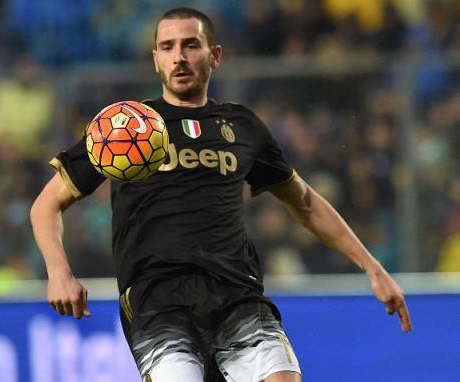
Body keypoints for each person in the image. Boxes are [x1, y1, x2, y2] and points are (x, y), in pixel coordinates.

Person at [30, 7, 412, 382]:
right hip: (158, 300)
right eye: (167, 47)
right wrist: (58, 272)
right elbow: (47, 205)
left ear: (215, 56)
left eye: (191, 45)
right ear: (155, 60)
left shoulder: (243, 126)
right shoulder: (126, 127)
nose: (179, 57)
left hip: (236, 293)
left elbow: (304, 201)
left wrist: (373, 268)